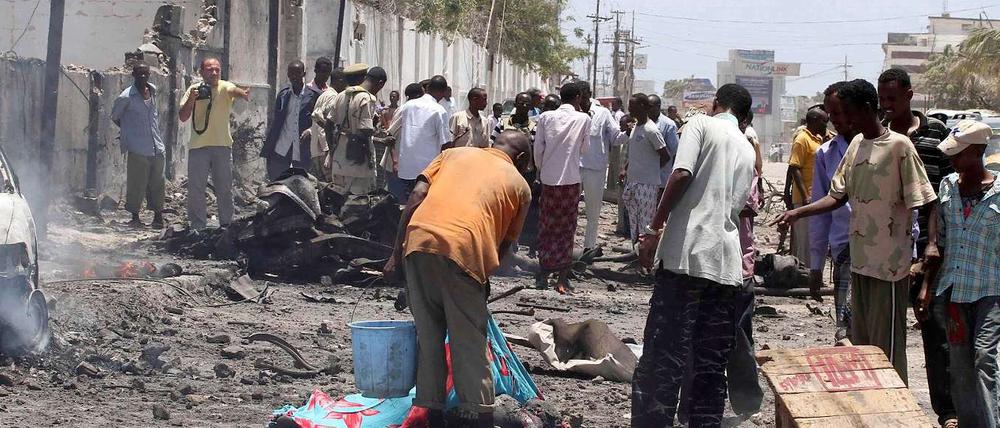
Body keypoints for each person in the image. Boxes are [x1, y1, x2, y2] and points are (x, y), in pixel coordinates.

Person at [774, 79, 939, 383]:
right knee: (862, 347)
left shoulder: (900, 146)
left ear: (866, 108)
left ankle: (893, 408)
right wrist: (797, 213)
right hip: (860, 263)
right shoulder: (855, 145)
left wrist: (929, 247)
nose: (844, 120)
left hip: (889, 267)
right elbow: (836, 196)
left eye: (847, 112)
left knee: (887, 349)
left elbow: (927, 200)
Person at [384, 131, 532, 428]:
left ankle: (431, 410)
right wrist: (483, 275)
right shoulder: (520, 186)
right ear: (522, 159)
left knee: (428, 334)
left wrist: (395, 255)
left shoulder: (453, 154)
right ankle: (480, 414)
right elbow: (503, 245)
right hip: (465, 250)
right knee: (469, 339)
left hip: (418, 241)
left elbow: (415, 197)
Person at [632, 84, 756, 427]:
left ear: (716, 104)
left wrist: (654, 228)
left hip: (687, 257)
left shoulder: (701, 124)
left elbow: (682, 173)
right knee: (710, 363)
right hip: (726, 266)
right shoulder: (747, 147)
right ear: (744, 117)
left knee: (663, 354)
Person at [877, 67, 956, 428]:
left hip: (929, 243)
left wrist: (934, 245)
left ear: (910, 95)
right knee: (885, 329)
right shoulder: (878, 133)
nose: (888, 106)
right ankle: (888, 401)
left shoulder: (936, 133)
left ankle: (947, 410)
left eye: (893, 99)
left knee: (934, 328)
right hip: (889, 244)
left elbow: (941, 194)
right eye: (883, 100)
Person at [919, 120, 999, 428]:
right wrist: (927, 287)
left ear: (978, 152)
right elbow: (939, 241)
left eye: (959, 154)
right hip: (953, 290)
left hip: (990, 290)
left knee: (984, 359)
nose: (952, 161)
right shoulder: (948, 186)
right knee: (960, 363)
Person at [533, 81, 591, 293]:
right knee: (567, 229)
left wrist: (544, 168)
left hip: (549, 179)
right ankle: (562, 278)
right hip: (570, 180)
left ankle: (543, 274)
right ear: (577, 97)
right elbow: (585, 149)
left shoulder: (546, 117)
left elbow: (538, 150)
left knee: (547, 226)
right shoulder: (584, 118)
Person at [178, 57, 249, 230]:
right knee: (196, 189)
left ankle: (226, 224)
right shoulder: (194, 89)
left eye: (217, 69)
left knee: (224, 188)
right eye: (210, 69)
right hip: (198, 146)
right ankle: (198, 226)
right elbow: (183, 116)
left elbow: (235, 91)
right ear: (202, 72)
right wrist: (192, 100)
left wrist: (243, 94)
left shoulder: (225, 87)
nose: (214, 73)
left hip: (222, 145)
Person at [810, 81, 857, 342]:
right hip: (843, 251)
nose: (835, 121)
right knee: (845, 331)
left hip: (880, 254)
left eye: (839, 113)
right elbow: (821, 211)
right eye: (831, 116)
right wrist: (816, 265)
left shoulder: (890, 146)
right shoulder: (826, 154)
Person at [111, 62, 166, 228]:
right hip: (138, 147)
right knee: (137, 182)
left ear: (149, 74)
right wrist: (129, 131)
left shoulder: (153, 91)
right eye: (139, 73)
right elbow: (115, 116)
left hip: (156, 145)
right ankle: (135, 216)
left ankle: (158, 216)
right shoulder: (126, 97)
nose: (143, 76)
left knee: (158, 182)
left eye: (145, 73)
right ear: (133, 75)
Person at [317, 65, 388, 194]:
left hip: (339, 161)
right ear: (380, 83)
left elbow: (328, 125)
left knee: (338, 203)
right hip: (358, 165)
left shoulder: (341, 95)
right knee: (358, 205)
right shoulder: (366, 98)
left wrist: (332, 150)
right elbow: (365, 130)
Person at [578, 81, 622, 256]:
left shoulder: (602, 113)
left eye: (584, 93)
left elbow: (616, 137)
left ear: (589, 93)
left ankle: (589, 248)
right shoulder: (571, 113)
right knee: (568, 211)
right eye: (578, 94)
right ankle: (565, 248)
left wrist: (628, 132)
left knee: (593, 211)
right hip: (572, 168)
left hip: (595, 169)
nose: (581, 97)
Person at [621, 93, 669, 244]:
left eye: (632, 105)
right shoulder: (636, 127)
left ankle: (645, 258)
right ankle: (635, 254)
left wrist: (651, 169)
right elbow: (636, 154)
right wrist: (625, 169)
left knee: (646, 223)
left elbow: (665, 156)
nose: (629, 109)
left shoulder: (651, 130)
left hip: (647, 185)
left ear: (642, 107)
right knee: (634, 222)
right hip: (633, 182)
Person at [784, 106, 829, 268]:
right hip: (805, 200)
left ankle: (813, 273)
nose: (827, 124)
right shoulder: (802, 139)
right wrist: (805, 196)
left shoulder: (818, 139)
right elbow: (794, 168)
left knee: (816, 238)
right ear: (815, 121)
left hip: (818, 199)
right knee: (804, 241)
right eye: (825, 121)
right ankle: (803, 274)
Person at [261, 60, 318, 180]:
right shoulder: (283, 95)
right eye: (291, 73)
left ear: (304, 74)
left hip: (302, 149)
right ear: (288, 75)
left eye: (297, 73)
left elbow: (319, 121)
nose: (294, 77)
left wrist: (310, 130)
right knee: (277, 183)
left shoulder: (313, 96)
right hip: (281, 147)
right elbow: (276, 121)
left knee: (301, 184)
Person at [396, 75, 451, 200]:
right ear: (442, 93)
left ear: (428, 88)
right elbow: (446, 144)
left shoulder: (408, 106)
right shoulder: (439, 110)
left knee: (406, 205)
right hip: (427, 171)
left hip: (406, 168)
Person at [301, 58, 335, 181]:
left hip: (324, 142)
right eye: (322, 72)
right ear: (315, 71)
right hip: (307, 141)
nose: (325, 76)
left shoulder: (330, 93)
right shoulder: (306, 90)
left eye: (327, 72)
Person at [648, 94, 680, 192]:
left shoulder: (668, 125)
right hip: (645, 178)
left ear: (658, 107)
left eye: (650, 106)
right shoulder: (644, 122)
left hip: (661, 178)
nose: (647, 109)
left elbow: (674, 151)